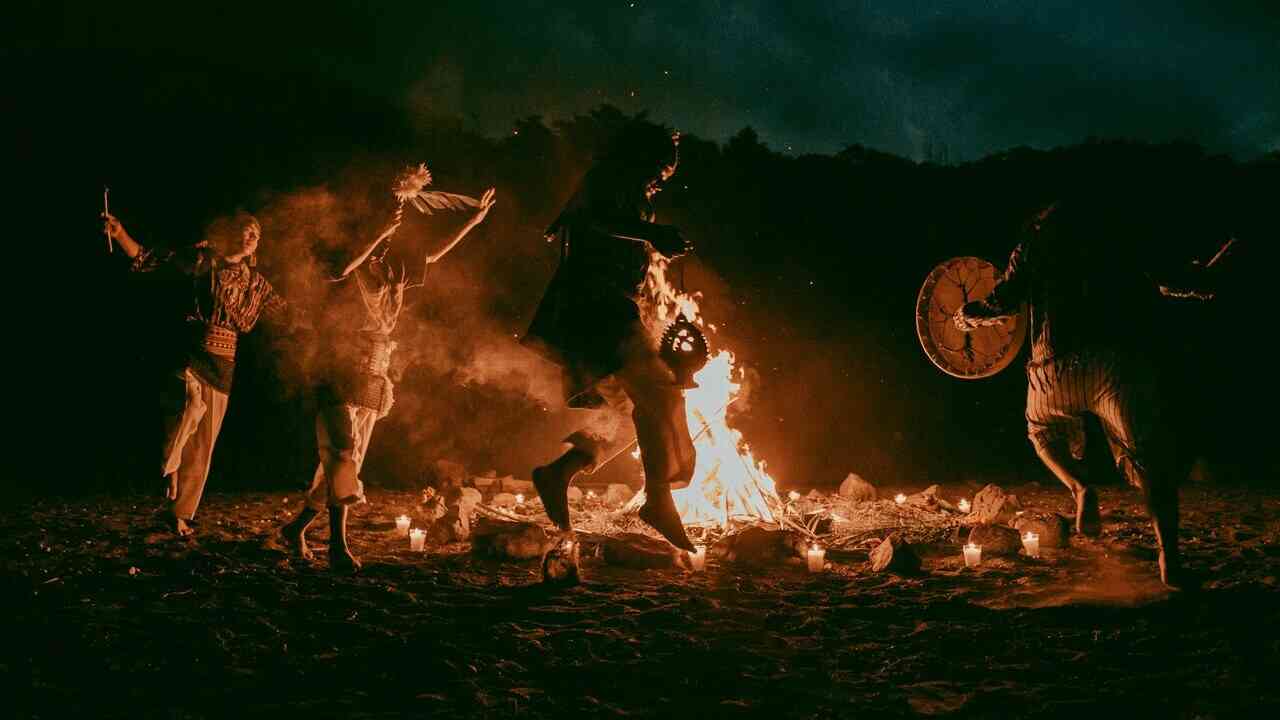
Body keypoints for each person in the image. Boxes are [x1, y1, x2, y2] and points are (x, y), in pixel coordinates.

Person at [954, 199, 1225, 588]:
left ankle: (1080, 487)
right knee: (1149, 462)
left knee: (1040, 430)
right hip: (1112, 367)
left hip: (1053, 370)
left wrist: (969, 314)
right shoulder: (1121, 234)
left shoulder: (1032, 242)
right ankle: (1170, 559)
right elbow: (1173, 281)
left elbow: (1005, 301)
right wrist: (1205, 282)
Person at [279, 165, 496, 572]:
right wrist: (378, 231)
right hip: (337, 363)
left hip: (375, 369)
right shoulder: (347, 249)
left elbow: (431, 255)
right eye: (388, 215)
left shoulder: (394, 262)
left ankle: (298, 528)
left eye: (396, 217)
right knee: (342, 452)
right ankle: (338, 547)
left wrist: (472, 220)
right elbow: (338, 270)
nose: (397, 222)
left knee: (349, 459)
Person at [523, 125, 698, 552]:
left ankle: (559, 472)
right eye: (658, 169)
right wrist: (653, 235)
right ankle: (658, 501)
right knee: (660, 396)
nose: (661, 180)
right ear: (635, 158)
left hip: (612, 306)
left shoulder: (626, 192)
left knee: (630, 414)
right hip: (595, 306)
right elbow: (593, 219)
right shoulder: (608, 181)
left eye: (668, 174)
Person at [103, 210, 293, 536]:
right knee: (187, 407)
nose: (250, 239)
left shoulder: (258, 285)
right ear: (231, 231)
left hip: (224, 364)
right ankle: (168, 469)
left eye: (256, 236)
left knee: (203, 447)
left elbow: (288, 314)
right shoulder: (202, 261)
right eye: (246, 231)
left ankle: (179, 514)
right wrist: (120, 234)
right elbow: (150, 259)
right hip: (190, 352)